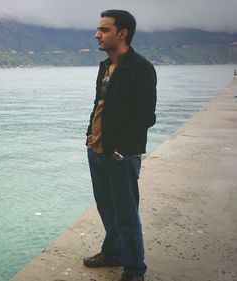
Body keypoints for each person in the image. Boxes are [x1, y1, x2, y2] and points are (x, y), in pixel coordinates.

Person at [84, 10, 157, 281]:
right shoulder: (105, 66)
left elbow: (145, 116)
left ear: (122, 34)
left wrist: (120, 150)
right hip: (97, 150)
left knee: (126, 214)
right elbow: (99, 105)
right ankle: (113, 253)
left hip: (120, 155)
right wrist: (89, 136)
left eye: (104, 29)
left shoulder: (140, 68)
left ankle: (135, 269)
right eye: (98, 29)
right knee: (107, 209)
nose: (97, 34)